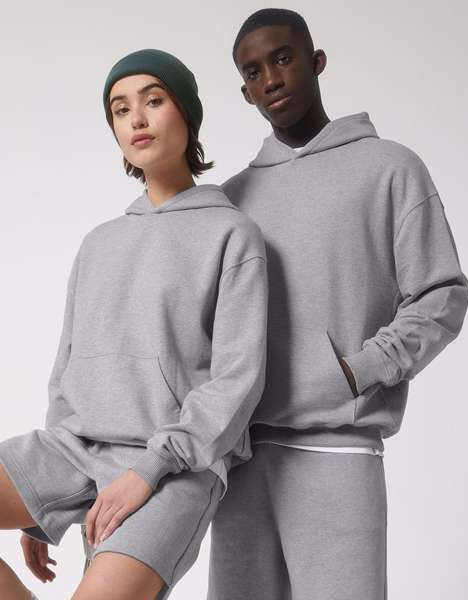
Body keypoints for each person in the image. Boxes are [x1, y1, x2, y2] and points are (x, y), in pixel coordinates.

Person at [207, 8, 468, 600]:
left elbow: (442, 293)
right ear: (244, 91)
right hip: (239, 465)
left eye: (283, 58)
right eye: (253, 71)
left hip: (337, 450)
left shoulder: (389, 168)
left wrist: (358, 371)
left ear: (316, 61)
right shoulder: (230, 200)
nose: (271, 79)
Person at [0, 47, 268, 600]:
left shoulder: (231, 234)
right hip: (71, 450)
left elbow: (237, 380)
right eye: (120, 110)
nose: (137, 119)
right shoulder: (99, 242)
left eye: (154, 101)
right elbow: (67, 370)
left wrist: (150, 469)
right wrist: (41, 511)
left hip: (173, 466)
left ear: (186, 114)